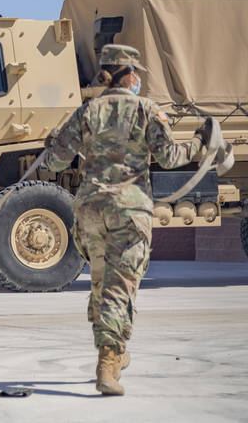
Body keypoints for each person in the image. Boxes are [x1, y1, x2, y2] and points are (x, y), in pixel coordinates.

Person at [41, 44, 214, 396]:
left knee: (101, 286)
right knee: (119, 291)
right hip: (127, 212)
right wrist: (201, 142)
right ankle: (107, 365)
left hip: (90, 212)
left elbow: (54, 162)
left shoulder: (88, 110)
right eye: (137, 74)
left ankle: (115, 353)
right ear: (129, 74)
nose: (139, 80)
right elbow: (169, 157)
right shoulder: (146, 110)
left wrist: (52, 143)